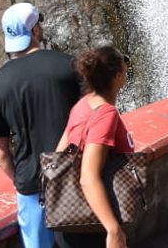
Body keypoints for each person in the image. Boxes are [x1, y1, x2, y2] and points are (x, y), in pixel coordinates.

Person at [0, 3, 81, 248]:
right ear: (35, 30)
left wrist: (20, 179)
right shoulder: (69, 65)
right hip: (74, 177)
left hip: (32, 185)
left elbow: (0, 150)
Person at [54, 46, 136, 248]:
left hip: (71, 217)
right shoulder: (105, 113)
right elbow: (88, 176)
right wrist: (113, 229)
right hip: (92, 224)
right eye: (124, 64)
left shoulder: (83, 104)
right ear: (117, 76)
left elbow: (59, 153)